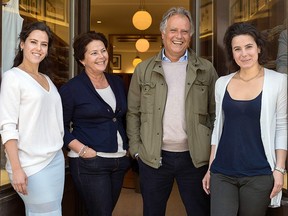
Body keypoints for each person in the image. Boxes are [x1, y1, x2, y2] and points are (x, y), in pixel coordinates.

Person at [126, 7, 218, 216]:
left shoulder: (206, 68)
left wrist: (211, 151)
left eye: (184, 31)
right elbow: (133, 113)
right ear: (163, 33)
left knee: (199, 211)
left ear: (191, 35)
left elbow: (216, 115)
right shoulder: (144, 69)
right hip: (153, 157)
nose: (179, 36)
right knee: (153, 212)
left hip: (195, 158)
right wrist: (137, 150)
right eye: (173, 30)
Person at [202, 22, 287, 216]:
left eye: (248, 46)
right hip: (222, 172)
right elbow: (218, 127)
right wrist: (210, 168)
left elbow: (282, 126)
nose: (244, 54)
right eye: (237, 49)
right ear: (232, 53)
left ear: (258, 47)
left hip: (259, 173)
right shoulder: (222, 83)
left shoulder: (278, 81)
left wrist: (279, 170)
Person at [59, 31, 131, 216]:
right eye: (94, 53)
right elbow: (60, 127)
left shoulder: (116, 82)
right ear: (82, 60)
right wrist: (82, 150)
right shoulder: (71, 88)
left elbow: (123, 117)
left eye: (103, 50)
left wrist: (128, 148)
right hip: (90, 163)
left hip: (119, 161)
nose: (101, 56)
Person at [0, 22, 65, 215]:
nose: (38, 48)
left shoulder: (47, 79)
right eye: (33, 42)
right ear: (22, 44)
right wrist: (17, 169)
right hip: (30, 165)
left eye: (43, 44)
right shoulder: (13, 78)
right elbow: (7, 126)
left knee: (53, 211)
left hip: (55, 159)